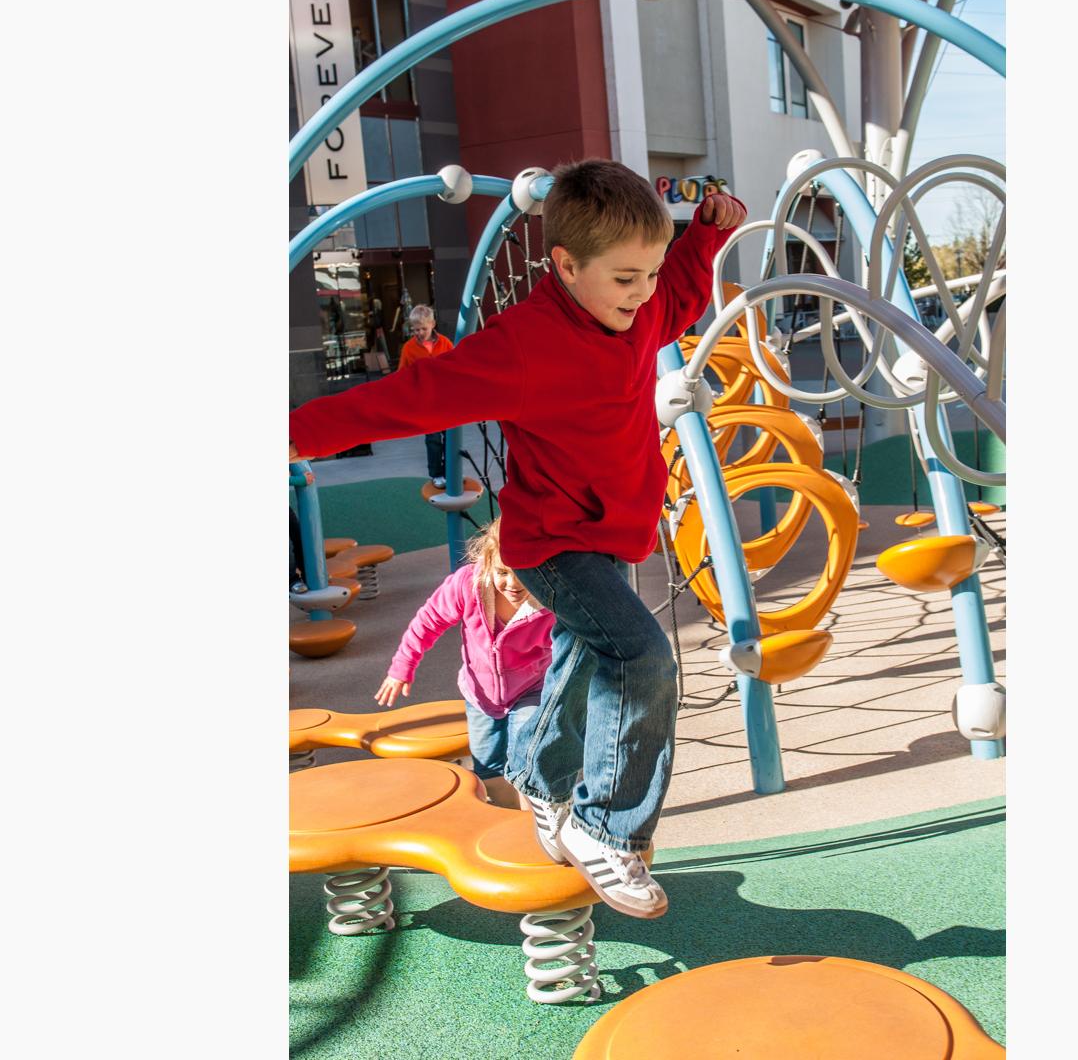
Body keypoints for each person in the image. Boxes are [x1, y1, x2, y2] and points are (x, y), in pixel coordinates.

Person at [291, 158, 747, 919]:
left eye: (649, 272)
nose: (641, 295)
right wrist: (297, 435)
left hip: (613, 533)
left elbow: (680, 296)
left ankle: (539, 781)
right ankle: (605, 827)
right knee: (641, 659)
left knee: (581, 661)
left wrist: (701, 239)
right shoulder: (524, 347)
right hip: (549, 546)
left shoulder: (640, 309)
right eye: (625, 277)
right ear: (566, 266)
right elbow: (409, 399)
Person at [375, 518, 552, 809]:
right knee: (486, 761)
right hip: (479, 693)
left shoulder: (548, 601)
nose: (513, 583)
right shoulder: (467, 586)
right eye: (503, 572)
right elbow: (427, 622)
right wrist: (402, 667)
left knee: (527, 749)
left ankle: (534, 817)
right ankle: (502, 816)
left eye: (524, 572)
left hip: (532, 688)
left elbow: (573, 646)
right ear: (487, 559)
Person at [395, 305, 455, 487]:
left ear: (433, 324)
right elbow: (402, 374)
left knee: (451, 437)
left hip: (444, 398)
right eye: (416, 329)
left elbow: (454, 366)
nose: (420, 332)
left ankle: (450, 471)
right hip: (425, 400)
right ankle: (436, 474)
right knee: (433, 438)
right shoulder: (409, 349)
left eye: (423, 329)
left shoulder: (445, 343)